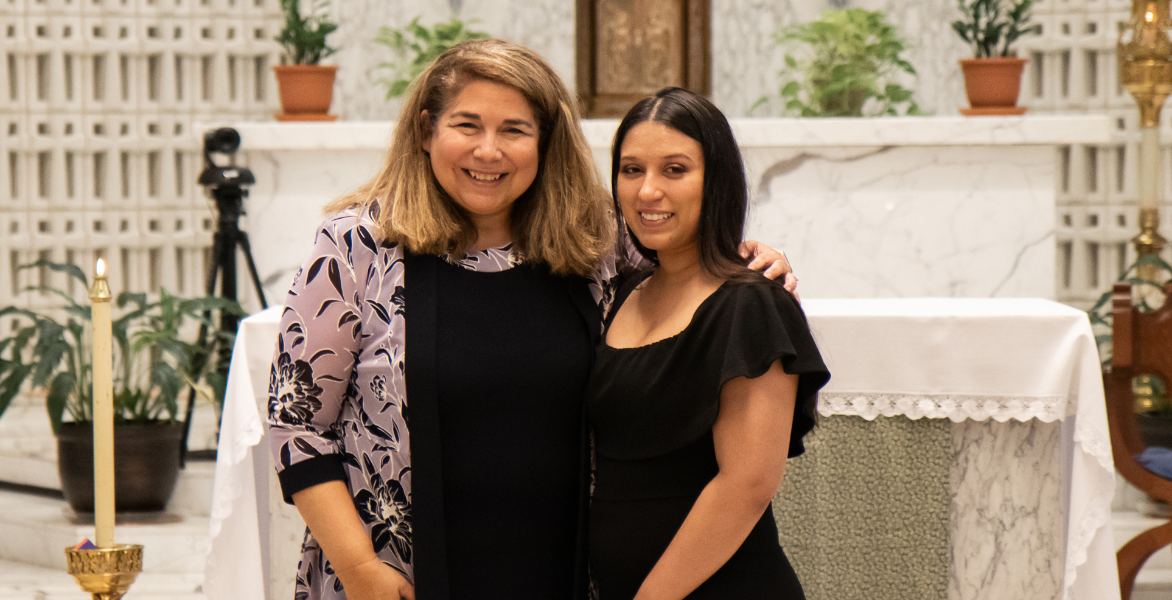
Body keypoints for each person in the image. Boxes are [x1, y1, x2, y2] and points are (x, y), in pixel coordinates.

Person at [266, 41, 796, 600]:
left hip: (560, 569)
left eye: (515, 130)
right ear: (426, 130)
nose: (488, 151)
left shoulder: (597, 239)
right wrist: (358, 568)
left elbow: (694, 278)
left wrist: (758, 261)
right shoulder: (359, 246)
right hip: (395, 575)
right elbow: (297, 424)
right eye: (467, 125)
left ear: (545, 141)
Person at [587, 87, 830, 600]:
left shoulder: (751, 304)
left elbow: (747, 486)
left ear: (715, 179)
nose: (648, 191)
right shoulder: (623, 290)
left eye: (675, 169)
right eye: (631, 170)